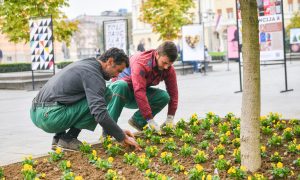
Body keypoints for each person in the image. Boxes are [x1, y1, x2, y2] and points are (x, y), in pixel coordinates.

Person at [30, 48, 141, 151]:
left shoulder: (86, 64)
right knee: (105, 94)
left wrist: (118, 131)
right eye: (118, 70)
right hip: (50, 117)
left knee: (83, 95)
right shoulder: (94, 75)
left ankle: (59, 138)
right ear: (110, 61)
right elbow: (99, 112)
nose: (117, 75)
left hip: (36, 113)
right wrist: (121, 136)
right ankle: (69, 138)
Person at [105, 41, 178, 133]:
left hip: (137, 91)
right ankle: (108, 132)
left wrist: (170, 117)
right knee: (121, 85)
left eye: (169, 64)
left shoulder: (168, 68)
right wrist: (150, 119)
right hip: (119, 92)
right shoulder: (142, 63)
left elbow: (173, 93)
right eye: (164, 63)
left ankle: (138, 121)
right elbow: (139, 91)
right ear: (157, 54)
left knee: (164, 96)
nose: (166, 67)